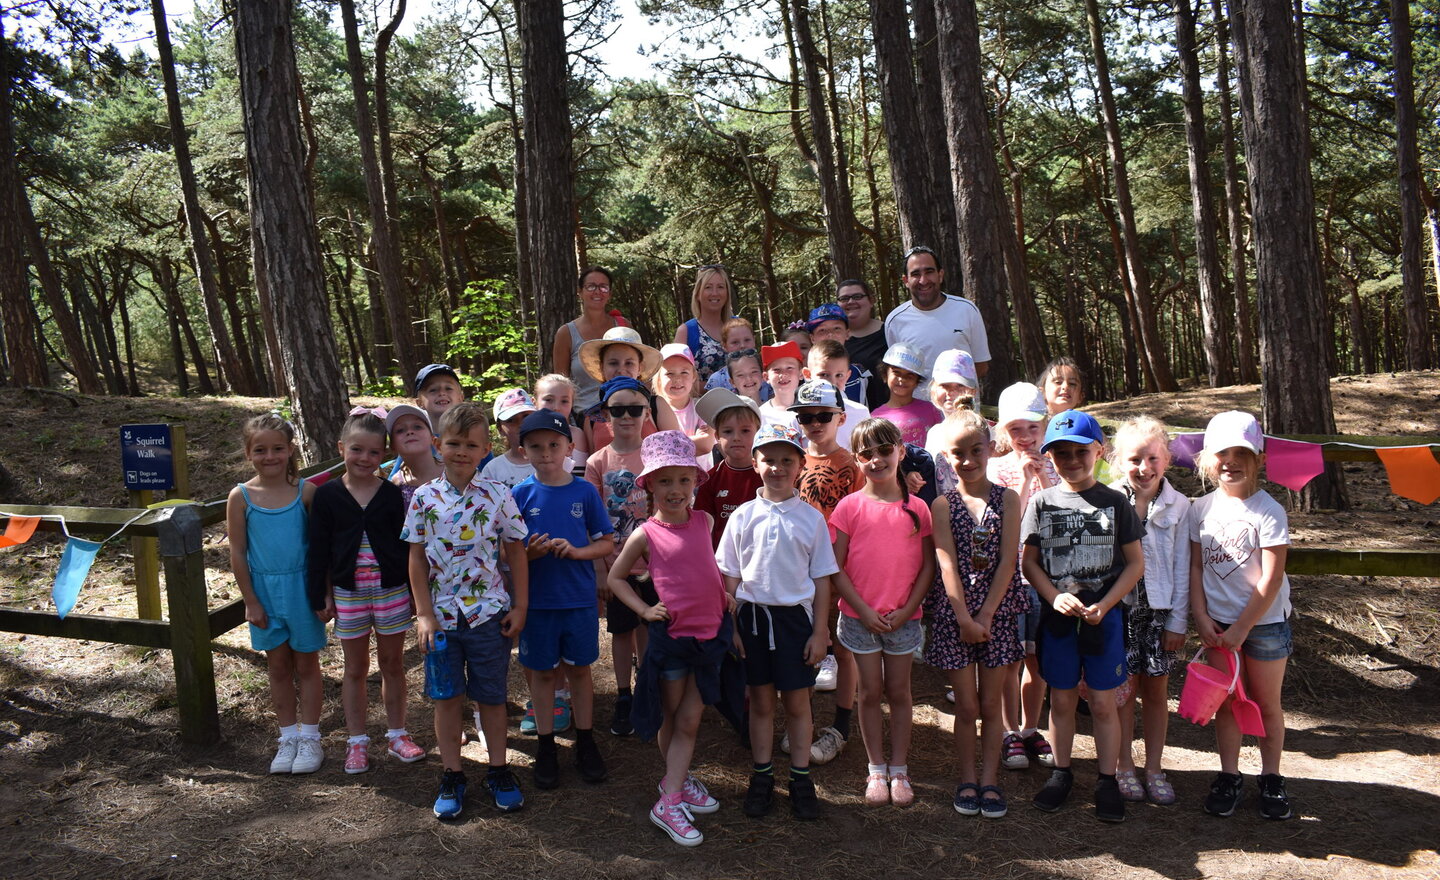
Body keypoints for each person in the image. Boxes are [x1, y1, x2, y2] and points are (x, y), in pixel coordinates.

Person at [403, 402, 529, 819]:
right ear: (438, 445)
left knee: (491, 697)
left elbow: (515, 549)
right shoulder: (423, 497)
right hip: (440, 619)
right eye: (453, 442)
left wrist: (521, 604)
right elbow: (416, 558)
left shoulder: (498, 494)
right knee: (447, 698)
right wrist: (423, 614)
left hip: (487, 615)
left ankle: (498, 769)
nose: (461, 451)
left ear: (484, 449)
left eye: (470, 444)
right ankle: (453, 773)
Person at [609, 431, 732, 846]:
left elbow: (704, 565)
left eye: (683, 479)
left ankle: (674, 784)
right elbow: (615, 578)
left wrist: (722, 593)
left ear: (694, 483)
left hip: (710, 635)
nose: (675, 490)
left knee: (691, 718)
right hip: (673, 639)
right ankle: (671, 795)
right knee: (673, 714)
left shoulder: (705, 520)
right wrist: (644, 610)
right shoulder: (645, 534)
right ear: (648, 486)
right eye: (665, 481)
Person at [1022, 410, 1145, 823]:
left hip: (1103, 619)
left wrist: (1106, 604)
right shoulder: (1041, 502)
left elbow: (1134, 565)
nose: (1071, 460)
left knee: (1104, 704)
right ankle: (1061, 772)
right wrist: (1053, 597)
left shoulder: (1116, 503)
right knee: (1060, 698)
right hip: (1059, 619)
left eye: (1080, 452)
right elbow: (1030, 563)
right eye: (1061, 454)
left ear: (1099, 451)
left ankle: (1107, 779)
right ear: (1050, 457)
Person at [717, 423, 837, 821]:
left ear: (801, 465)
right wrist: (731, 627)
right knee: (762, 701)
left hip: (794, 624)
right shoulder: (742, 517)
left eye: (787, 460)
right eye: (769, 460)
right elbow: (729, 576)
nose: (777, 468)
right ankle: (763, 775)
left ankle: (800, 778)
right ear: (755, 463)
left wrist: (821, 631)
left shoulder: (811, 519)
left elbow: (821, 578)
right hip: (751, 619)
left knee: (798, 702)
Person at [1190, 411, 1294, 820]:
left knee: (1267, 703)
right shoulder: (1200, 508)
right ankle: (1229, 775)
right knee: (1228, 703)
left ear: (1260, 459)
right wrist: (1200, 615)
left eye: (1241, 453)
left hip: (1263, 625)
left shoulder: (1269, 512)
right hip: (1217, 627)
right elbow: (1196, 566)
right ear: (1207, 459)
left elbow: (1271, 579)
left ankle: (1271, 777)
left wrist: (1243, 627)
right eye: (1222, 453)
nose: (1230, 461)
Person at [829, 418, 936, 807]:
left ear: (901, 451)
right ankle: (876, 768)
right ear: (857, 460)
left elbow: (928, 567)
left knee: (900, 692)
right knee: (870, 692)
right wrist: (862, 609)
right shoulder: (848, 507)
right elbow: (835, 567)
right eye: (866, 454)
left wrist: (909, 609)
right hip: (860, 621)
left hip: (904, 621)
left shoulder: (919, 509)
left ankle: (900, 767)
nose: (876, 460)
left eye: (885, 450)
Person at [307, 407, 420, 774]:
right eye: (357, 450)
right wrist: (321, 594)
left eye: (374, 452)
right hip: (348, 593)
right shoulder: (327, 497)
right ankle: (356, 742)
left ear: (384, 455)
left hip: (391, 590)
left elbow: (407, 548)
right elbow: (319, 549)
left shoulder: (392, 495)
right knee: (355, 667)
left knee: (392, 664)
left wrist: (417, 594)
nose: (365, 458)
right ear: (341, 448)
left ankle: (397, 735)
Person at [927, 410, 1024, 819]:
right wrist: (965, 618)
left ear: (991, 448)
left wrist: (984, 616)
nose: (967, 460)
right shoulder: (942, 505)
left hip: (997, 615)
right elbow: (946, 563)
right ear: (947, 457)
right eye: (958, 453)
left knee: (991, 705)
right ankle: (967, 777)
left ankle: (990, 779)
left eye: (975, 451)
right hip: (956, 617)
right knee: (966, 707)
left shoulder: (1009, 499)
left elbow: (1007, 561)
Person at [511, 409, 613, 789]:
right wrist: (530, 553)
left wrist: (575, 550)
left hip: (578, 599)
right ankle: (546, 745)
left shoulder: (584, 491)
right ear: (524, 451)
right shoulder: (519, 494)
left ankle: (586, 740)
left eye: (554, 444)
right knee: (541, 673)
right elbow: (507, 552)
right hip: (537, 602)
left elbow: (605, 540)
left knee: (580, 671)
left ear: (570, 447)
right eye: (536, 446)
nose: (546, 453)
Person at [227, 413, 326, 775]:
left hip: (302, 590)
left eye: (277, 449)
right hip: (265, 592)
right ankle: (287, 737)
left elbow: (319, 549)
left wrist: (323, 593)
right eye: (261, 450)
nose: (270, 456)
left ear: (290, 450)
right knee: (279, 665)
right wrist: (250, 600)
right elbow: (237, 551)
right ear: (248, 452)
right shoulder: (240, 497)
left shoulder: (306, 492)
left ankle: (311, 736)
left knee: (307, 664)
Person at [1109, 416, 1190, 807]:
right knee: (1123, 693)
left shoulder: (1180, 506)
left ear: (1168, 460)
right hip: (1120, 613)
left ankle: (1154, 766)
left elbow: (1182, 568)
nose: (1144, 468)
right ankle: (1124, 764)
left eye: (1152, 458)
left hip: (1159, 614)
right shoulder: (1107, 500)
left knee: (1156, 692)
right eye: (1134, 459)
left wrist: (1177, 621)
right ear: (1118, 461)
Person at [989, 382, 1060, 770]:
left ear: (1045, 426)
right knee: (1009, 658)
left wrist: (1044, 478)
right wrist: (1024, 480)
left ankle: (1032, 728)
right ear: (1003, 431)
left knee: (1038, 659)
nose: (1026, 437)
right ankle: (1007, 730)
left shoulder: (1059, 465)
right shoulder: (995, 469)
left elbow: (1061, 520)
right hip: (1008, 578)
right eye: (1016, 429)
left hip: (1046, 580)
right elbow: (1005, 528)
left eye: (1033, 428)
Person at [790, 378, 862, 765]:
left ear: (840, 417)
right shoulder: (792, 460)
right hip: (800, 573)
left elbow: (864, 519)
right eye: (805, 417)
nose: (814, 423)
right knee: (805, 648)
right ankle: (802, 723)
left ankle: (841, 726)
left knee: (845, 651)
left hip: (843, 572)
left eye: (822, 416)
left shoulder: (852, 466)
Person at [585, 377, 658, 737]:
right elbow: (592, 521)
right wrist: (601, 570)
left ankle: (646, 687)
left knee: (649, 625)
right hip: (617, 566)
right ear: (605, 415)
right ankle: (624, 694)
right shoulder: (598, 462)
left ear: (647, 412)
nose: (627, 416)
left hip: (656, 563)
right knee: (622, 631)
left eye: (635, 409)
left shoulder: (656, 455)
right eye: (618, 410)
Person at [884, 246, 990, 395]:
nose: (923, 280)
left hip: (961, 411)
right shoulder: (895, 320)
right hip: (917, 413)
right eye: (915, 274)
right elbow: (896, 371)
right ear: (906, 280)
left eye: (929, 272)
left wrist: (952, 390)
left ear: (940, 275)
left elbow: (981, 365)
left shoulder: (966, 310)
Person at [578, 326, 680, 449]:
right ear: (602, 367)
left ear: (640, 368)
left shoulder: (656, 406)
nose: (621, 370)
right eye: (613, 363)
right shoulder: (592, 418)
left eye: (629, 363)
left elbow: (677, 451)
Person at [692, 389, 764, 547]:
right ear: (717, 437)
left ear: (758, 433)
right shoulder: (710, 478)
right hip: (722, 565)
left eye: (745, 430)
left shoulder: (769, 474)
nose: (736, 437)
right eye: (728, 431)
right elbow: (702, 529)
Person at [553, 266, 628, 413]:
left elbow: (640, 371)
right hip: (585, 415)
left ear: (610, 293)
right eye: (591, 286)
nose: (598, 291)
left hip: (625, 412)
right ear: (580, 291)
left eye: (603, 287)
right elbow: (561, 385)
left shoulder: (623, 326)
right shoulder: (566, 333)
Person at [925, 349, 979, 495]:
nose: (951, 392)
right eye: (945, 385)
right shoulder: (934, 433)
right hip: (943, 512)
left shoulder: (983, 430)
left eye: (960, 385)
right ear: (934, 389)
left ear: (973, 391)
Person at [804, 339, 872, 452]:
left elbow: (866, 452)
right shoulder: (799, 414)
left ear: (848, 375)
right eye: (824, 374)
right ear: (808, 374)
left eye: (839, 375)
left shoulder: (860, 412)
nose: (832, 382)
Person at [653, 343, 714, 467]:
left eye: (684, 372)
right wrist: (694, 440)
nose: (678, 379)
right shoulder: (654, 410)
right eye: (669, 373)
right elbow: (658, 451)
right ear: (658, 378)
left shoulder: (703, 407)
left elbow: (706, 445)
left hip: (703, 480)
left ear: (693, 376)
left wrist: (670, 444)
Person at [872, 343, 944, 447]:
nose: (902, 379)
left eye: (909, 375)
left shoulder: (932, 409)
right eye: (896, 373)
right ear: (885, 375)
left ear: (917, 381)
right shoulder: (876, 417)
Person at [674, 265, 735, 383]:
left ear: (727, 292)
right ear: (698, 294)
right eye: (708, 287)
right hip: (701, 401)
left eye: (721, 287)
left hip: (742, 400)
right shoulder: (686, 331)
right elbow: (677, 379)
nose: (715, 293)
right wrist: (718, 389)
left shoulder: (738, 326)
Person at [837, 279, 888, 411]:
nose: (851, 301)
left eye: (857, 296)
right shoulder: (832, 338)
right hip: (845, 416)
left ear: (871, 300)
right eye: (844, 298)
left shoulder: (889, 332)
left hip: (885, 413)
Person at [805, 303, 868, 404]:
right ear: (812, 338)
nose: (830, 335)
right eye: (822, 330)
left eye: (837, 328)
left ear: (847, 334)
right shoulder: (800, 379)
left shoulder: (861, 375)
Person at [386, 404, 443, 508]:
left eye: (417, 427)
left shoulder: (452, 472)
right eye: (400, 430)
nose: (410, 432)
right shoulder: (397, 483)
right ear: (393, 446)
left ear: (432, 438)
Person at [481, 388, 540, 489]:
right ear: (500, 429)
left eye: (526, 416)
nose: (521, 424)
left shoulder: (553, 460)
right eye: (511, 420)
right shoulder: (493, 470)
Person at [535, 373, 590, 476]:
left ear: (571, 404)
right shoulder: (529, 435)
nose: (556, 407)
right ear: (535, 402)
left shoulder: (577, 435)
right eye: (548, 400)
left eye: (564, 401)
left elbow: (581, 477)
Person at [703, 318, 759, 392]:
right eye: (735, 342)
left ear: (754, 341)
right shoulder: (717, 380)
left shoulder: (765, 375)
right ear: (724, 346)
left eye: (747, 340)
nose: (742, 345)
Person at [759, 341, 804, 429]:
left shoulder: (812, 409)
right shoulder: (761, 415)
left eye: (789, 368)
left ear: (801, 374)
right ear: (766, 377)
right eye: (776, 369)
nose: (783, 374)